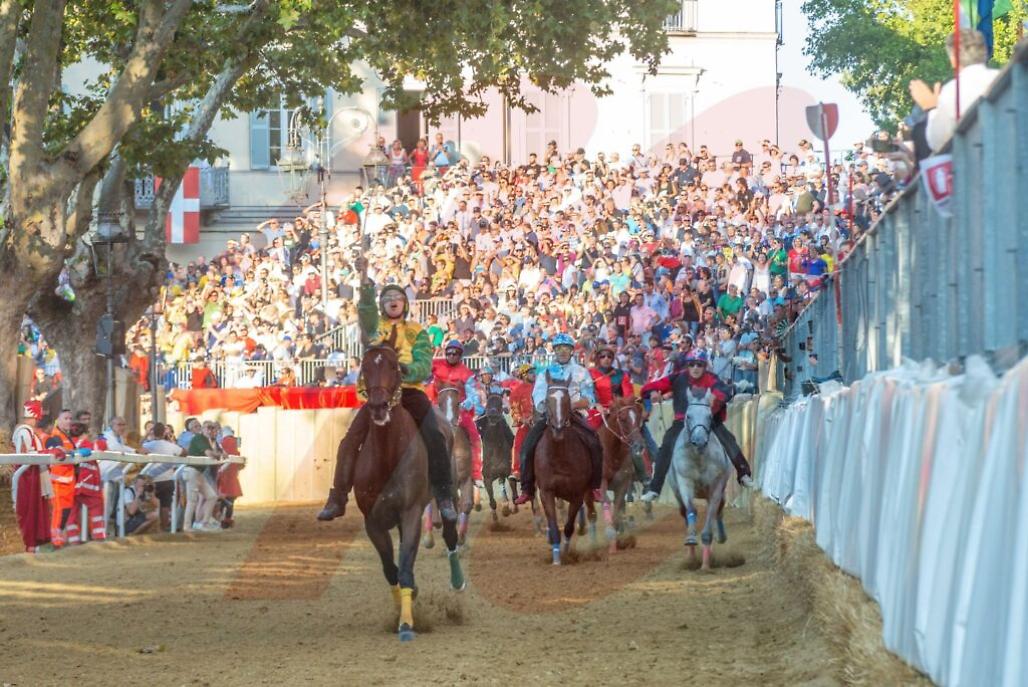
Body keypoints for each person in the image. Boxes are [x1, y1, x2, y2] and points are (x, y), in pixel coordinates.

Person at [317, 279, 458, 522]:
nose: (393, 301)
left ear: (404, 303)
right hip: (378, 395)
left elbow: (424, 363)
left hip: (409, 392)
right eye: (387, 298)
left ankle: (444, 495)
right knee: (349, 441)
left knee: (435, 435)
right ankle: (338, 497)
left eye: (398, 298)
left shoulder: (417, 331)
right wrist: (368, 291)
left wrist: (407, 371)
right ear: (383, 305)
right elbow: (366, 314)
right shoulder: (375, 329)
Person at [639, 349, 753, 503]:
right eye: (692, 364)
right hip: (682, 421)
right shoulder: (678, 378)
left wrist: (717, 398)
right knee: (666, 446)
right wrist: (652, 392)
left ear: (704, 366)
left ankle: (743, 473)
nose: (695, 368)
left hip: (709, 420)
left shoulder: (711, 379)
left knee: (728, 440)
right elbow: (647, 388)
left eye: (699, 364)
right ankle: (654, 488)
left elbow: (725, 391)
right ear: (688, 365)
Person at [513, 333, 604, 505]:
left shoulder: (581, 372)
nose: (562, 351)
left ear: (571, 351)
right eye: (558, 348)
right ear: (554, 351)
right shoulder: (545, 372)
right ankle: (527, 489)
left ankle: (594, 487)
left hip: (575, 415)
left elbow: (589, 398)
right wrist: (550, 407)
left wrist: (571, 406)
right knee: (527, 447)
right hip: (551, 415)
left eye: (566, 348)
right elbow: (538, 395)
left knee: (595, 442)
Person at [910, 29, 998, 153]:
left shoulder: (951, 91)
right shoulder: (1003, 78)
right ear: (984, 51)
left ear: (953, 59)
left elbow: (937, 141)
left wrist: (931, 108)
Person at [588, 345, 648, 484]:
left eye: (609, 357)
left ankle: (643, 474)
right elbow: (589, 392)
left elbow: (628, 395)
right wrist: (597, 405)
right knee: (585, 436)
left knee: (635, 436)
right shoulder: (591, 374)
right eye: (603, 356)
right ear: (598, 359)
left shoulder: (621, 374)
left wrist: (619, 408)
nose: (606, 359)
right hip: (596, 412)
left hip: (619, 412)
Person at [429, 339, 483, 486]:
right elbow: (425, 381)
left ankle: (476, 474)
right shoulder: (435, 366)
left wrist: (463, 405)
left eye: (455, 353)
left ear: (460, 355)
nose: (452, 356)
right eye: (449, 353)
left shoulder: (467, 373)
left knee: (474, 437)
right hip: (436, 407)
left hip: (459, 411)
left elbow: (473, 396)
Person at [11, 402, 53, 552]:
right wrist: (47, 454)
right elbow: (24, 456)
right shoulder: (24, 432)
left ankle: (32, 548)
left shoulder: (30, 433)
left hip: (34, 476)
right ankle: (27, 548)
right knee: (27, 512)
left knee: (34, 513)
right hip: (27, 477)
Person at [43, 409, 78, 548]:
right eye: (66, 418)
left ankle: (58, 540)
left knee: (65, 512)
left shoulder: (66, 436)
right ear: (59, 420)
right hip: (58, 482)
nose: (69, 421)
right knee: (58, 512)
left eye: (70, 418)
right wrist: (72, 452)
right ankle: (54, 542)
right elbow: (57, 450)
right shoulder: (56, 436)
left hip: (68, 481)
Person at [184, 421, 224, 531]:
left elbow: (213, 453)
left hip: (199, 472)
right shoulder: (199, 438)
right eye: (208, 428)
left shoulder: (207, 440)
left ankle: (204, 523)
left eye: (212, 428)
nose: (211, 430)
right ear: (203, 429)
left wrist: (219, 454)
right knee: (192, 500)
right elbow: (210, 454)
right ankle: (187, 526)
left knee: (212, 496)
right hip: (192, 471)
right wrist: (221, 455)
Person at [507, 363, 537, 480]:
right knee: (517, 443)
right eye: (530, 373)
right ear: (524, 375)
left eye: (534, 372)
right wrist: (522, 419)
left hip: (543, 420)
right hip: (526, 424)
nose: (534, 374)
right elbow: (514, 411)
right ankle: (516, 470)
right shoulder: (516, 391)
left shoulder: (540, 386)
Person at [216, 426, 244, 528]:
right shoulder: (233, 442)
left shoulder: (224, 442)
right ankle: (227, 520)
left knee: (222, 500)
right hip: (231, 476)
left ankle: (221, 519)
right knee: (229, 500)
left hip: (224, 475)